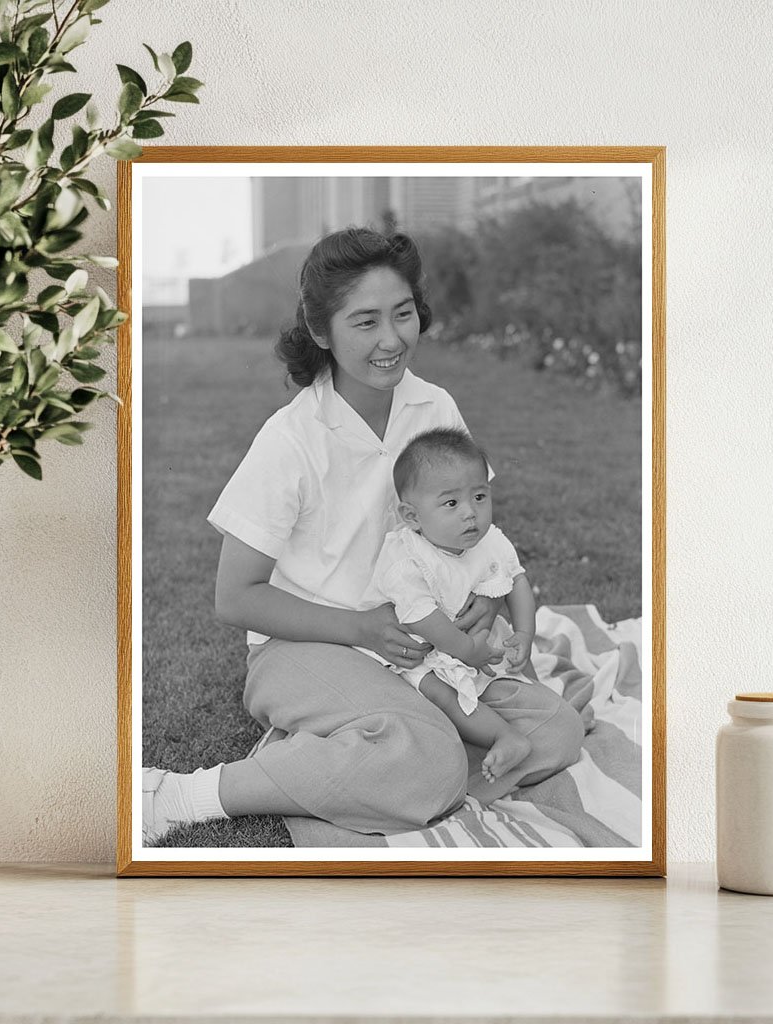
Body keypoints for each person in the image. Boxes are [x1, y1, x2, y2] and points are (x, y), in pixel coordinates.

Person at [142, 227, 584, 845]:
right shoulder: (291, 438)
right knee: (430, 761)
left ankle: (373, 760)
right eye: (365, 321)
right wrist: (357, 628)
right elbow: (235, 597)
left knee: (556, 730)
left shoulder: (435, 407)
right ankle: (179, 794)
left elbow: (471, 525)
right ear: (322, 332)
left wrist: (482, 599)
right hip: (305, 646)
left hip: (423, 647)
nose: (390, 340)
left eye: (403, 315)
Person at [363, 426, 539, 785]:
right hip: (419, 647)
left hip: (470, 639)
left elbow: (516, 580)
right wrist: (465, 651)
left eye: (479, 496)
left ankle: (543, 700)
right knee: (439, 692)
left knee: (519, 662)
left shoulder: (489, 541)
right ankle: (503, 736)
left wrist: (524, 632)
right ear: (412, 516)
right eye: (451, 503)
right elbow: (422, 617)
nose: (470, 514)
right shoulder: (405, 558)